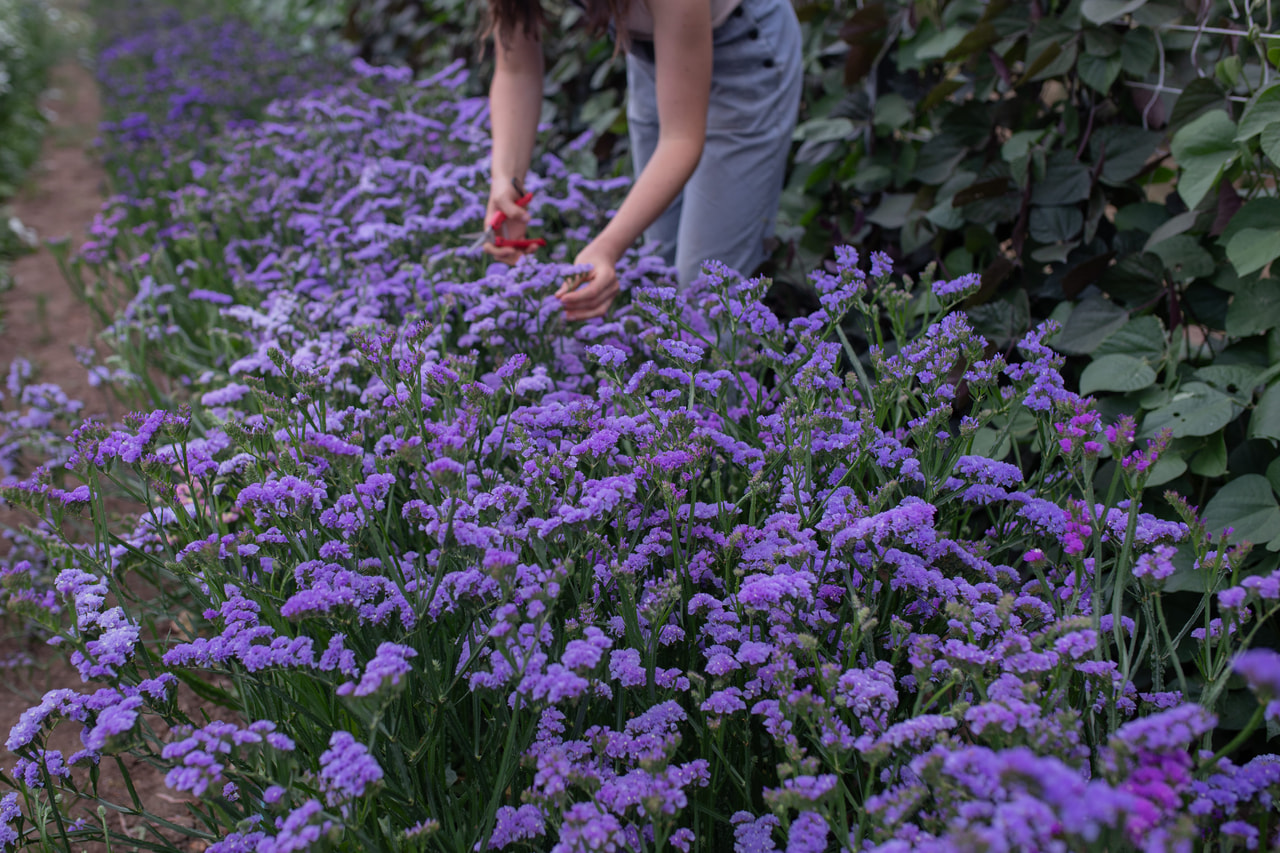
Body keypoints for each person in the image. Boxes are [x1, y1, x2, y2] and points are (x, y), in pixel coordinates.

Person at [483, 0, 803, 320]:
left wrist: (606, 248)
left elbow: (681, 140)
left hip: (741, 60)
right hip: (656, 56)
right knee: (659, 271)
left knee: (706, 295)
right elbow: (516, 70)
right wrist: (506, 180)